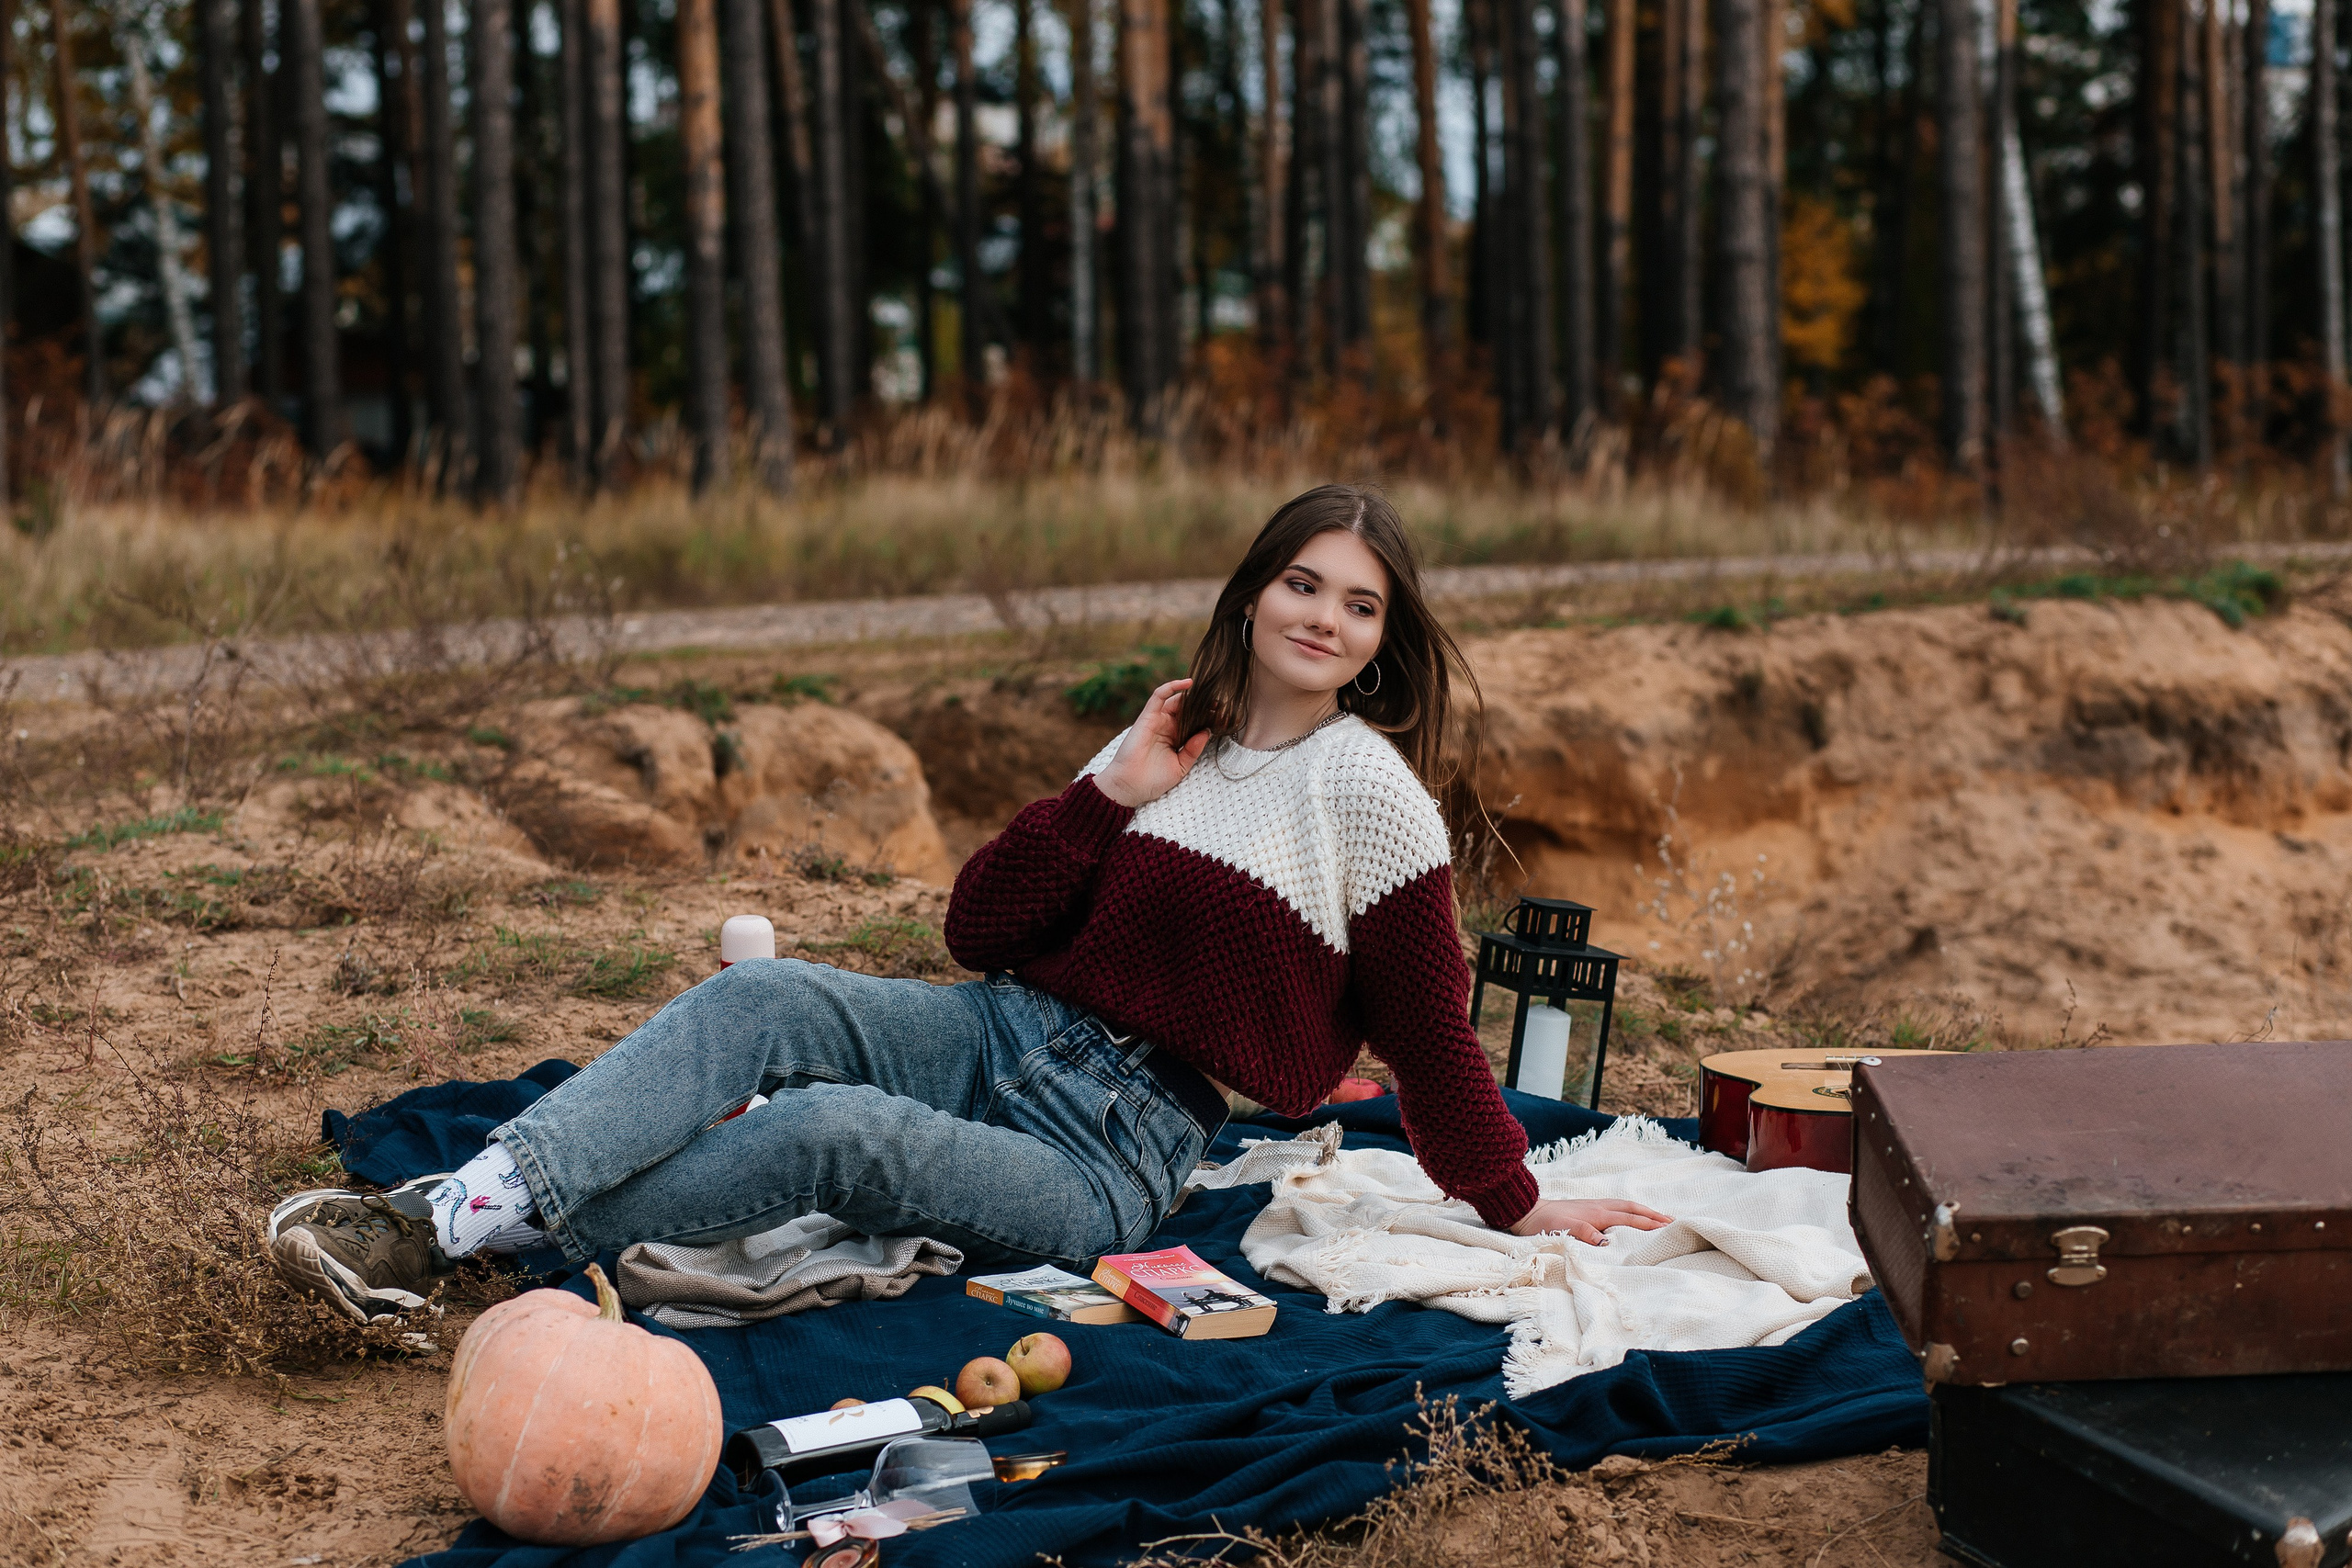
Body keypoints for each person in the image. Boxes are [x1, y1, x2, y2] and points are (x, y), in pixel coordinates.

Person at [269, 484, 1671, 1322]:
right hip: (1001, 1032)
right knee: (765, 996)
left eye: (1359, 606)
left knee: (829, 1132)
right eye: (1301, 583)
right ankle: (450, 1216)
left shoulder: (1370, 795)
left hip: (1115, 1151)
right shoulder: (1164, 736)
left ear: (1379, 644)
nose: (1324, 617)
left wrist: (1514, 1199)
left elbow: (1429, 1035)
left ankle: (471, 1235)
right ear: (1251, 596)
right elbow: (980, 930)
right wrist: (1110, 793)